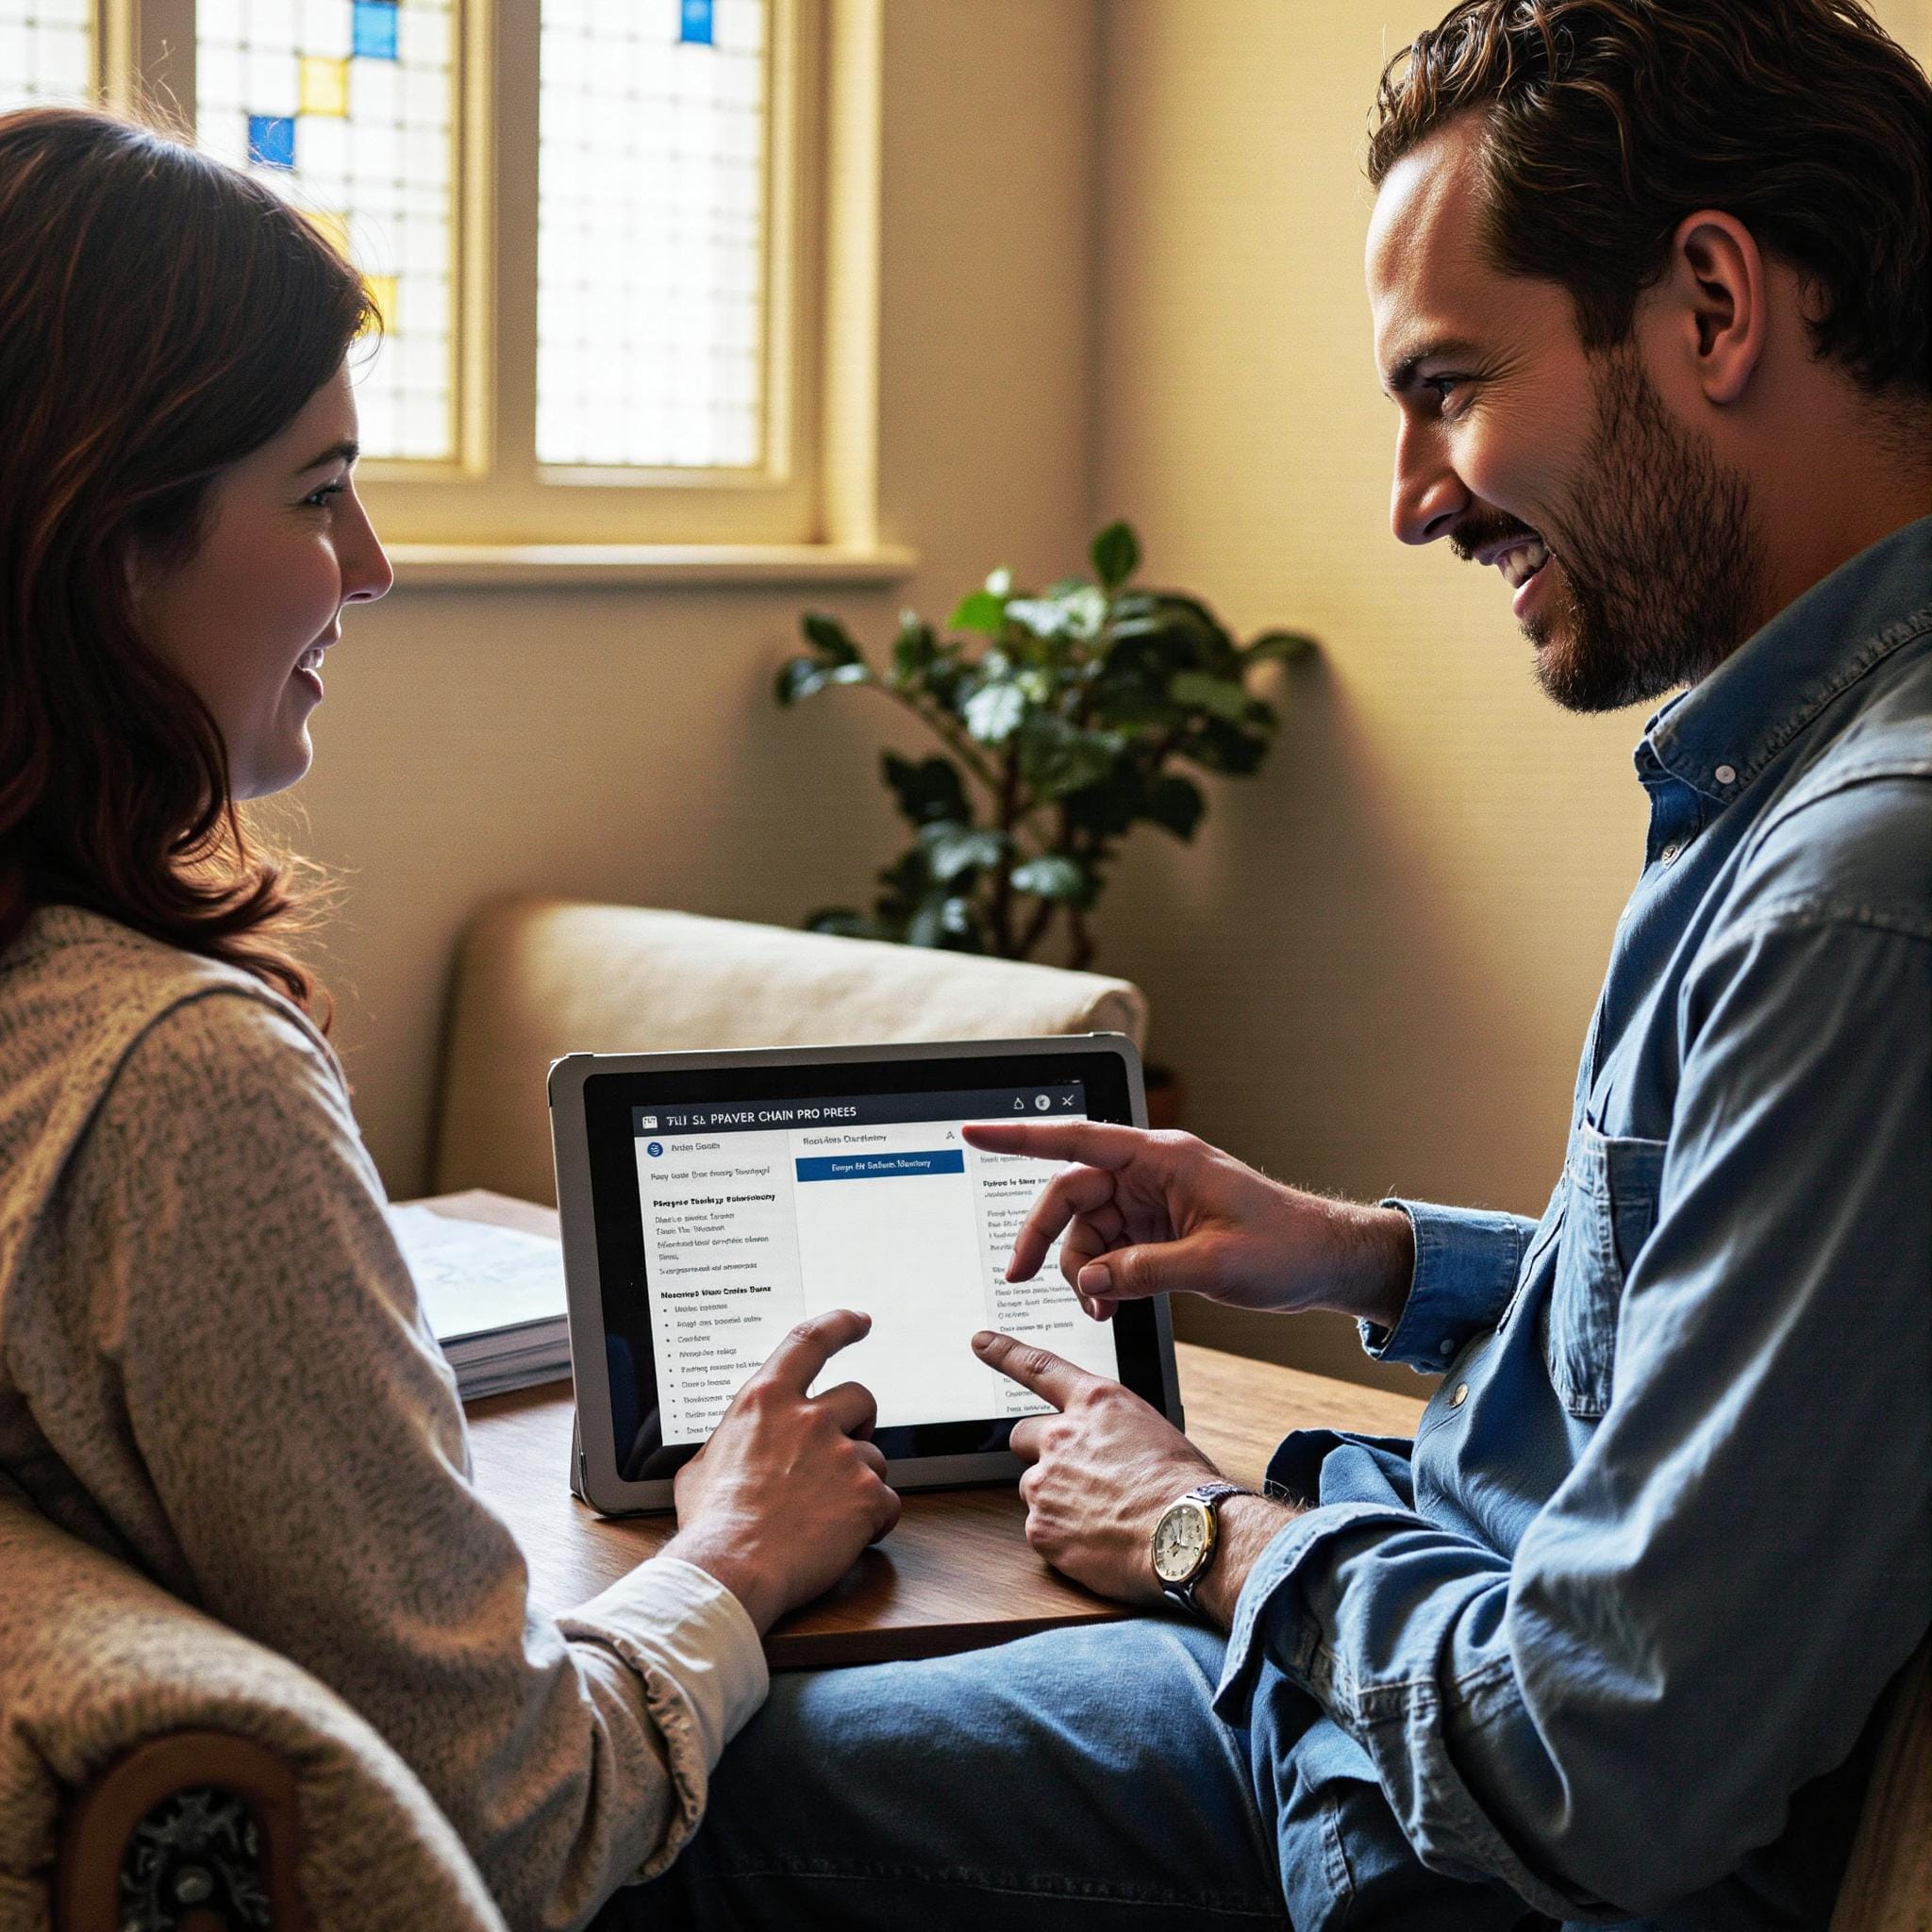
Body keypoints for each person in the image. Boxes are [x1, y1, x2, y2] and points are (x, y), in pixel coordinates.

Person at [632, 2, 1932, 1926]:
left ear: (1714, 306)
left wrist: (1195, 1525)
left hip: (1446, 1833)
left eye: (1451, 383)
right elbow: (1748, 1337)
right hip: (1395, 1675)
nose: (1415, 492)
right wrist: (1361, 1255)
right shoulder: (1800, 774)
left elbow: (1603, 1762)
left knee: (674, 1808)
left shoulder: (1857, 894)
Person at [0, 106, 900, 1931]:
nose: (374, 567)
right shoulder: (173, 1083)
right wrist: (731, 1554)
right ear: (109, 548)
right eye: (319, 492)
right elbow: (519, 1819)